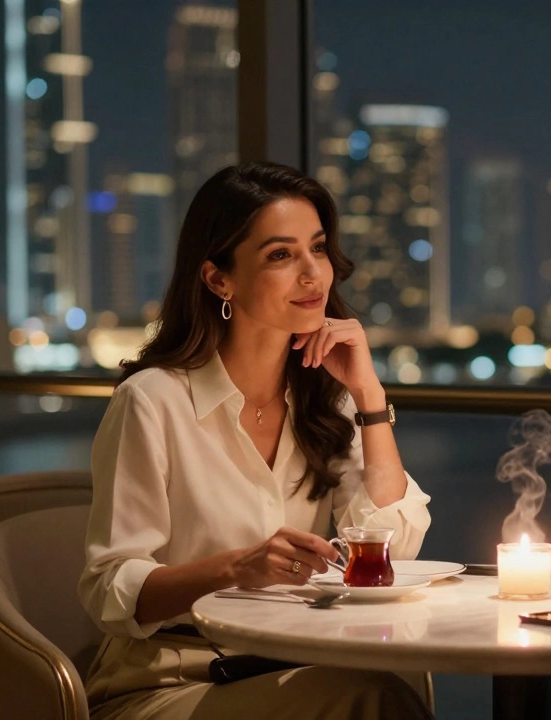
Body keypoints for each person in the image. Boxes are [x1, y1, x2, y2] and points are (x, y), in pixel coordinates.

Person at [78, 162, 434, 719]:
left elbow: (393, 546)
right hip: (169, 681)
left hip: (291, 665)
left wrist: (368, 395)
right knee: (369, 696)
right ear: (219, 278)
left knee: (386, 679)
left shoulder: (329, 397)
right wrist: (236, 568)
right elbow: (110, 589)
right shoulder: (154, 401)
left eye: (317, 248)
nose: (314, 275)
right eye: (280, 255)